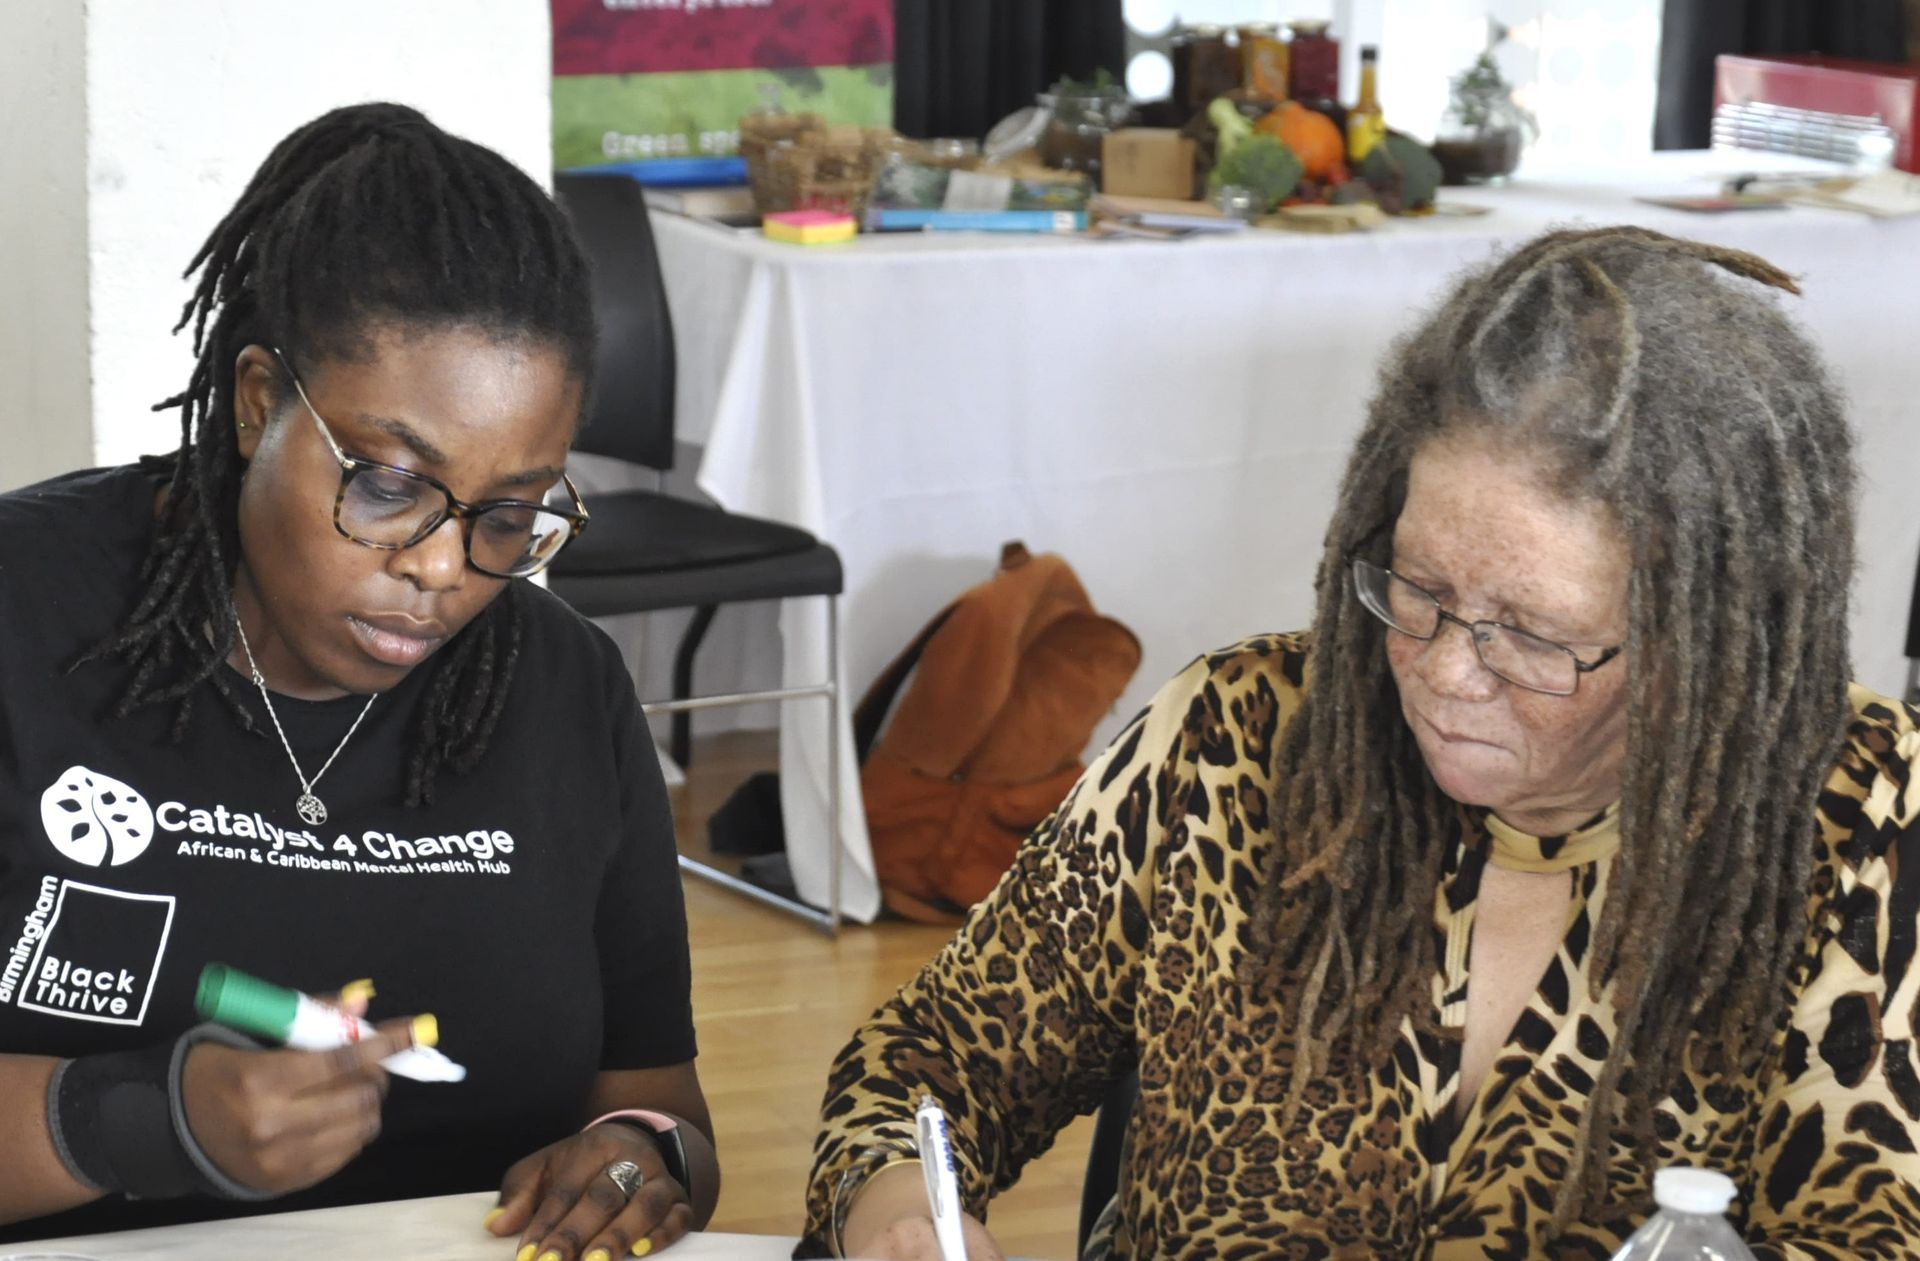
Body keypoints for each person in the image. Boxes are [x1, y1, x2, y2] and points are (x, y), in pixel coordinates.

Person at [800, 226, 1920, 1259]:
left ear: (1709, 636)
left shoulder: (1865, 819)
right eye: (1418, 589)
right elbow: (928, 1065)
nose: (1441, 670)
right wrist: (899, 1209)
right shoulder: (1236, 739)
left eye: (1530, 633)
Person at [0, 103, 717, 1261]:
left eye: (511, 511)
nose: (441, 566)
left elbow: (656, 1102)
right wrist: (140, 1119)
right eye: (387, 483)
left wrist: (641, 1158)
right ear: (254, 403)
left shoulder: (564, 689)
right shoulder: (24, 614)